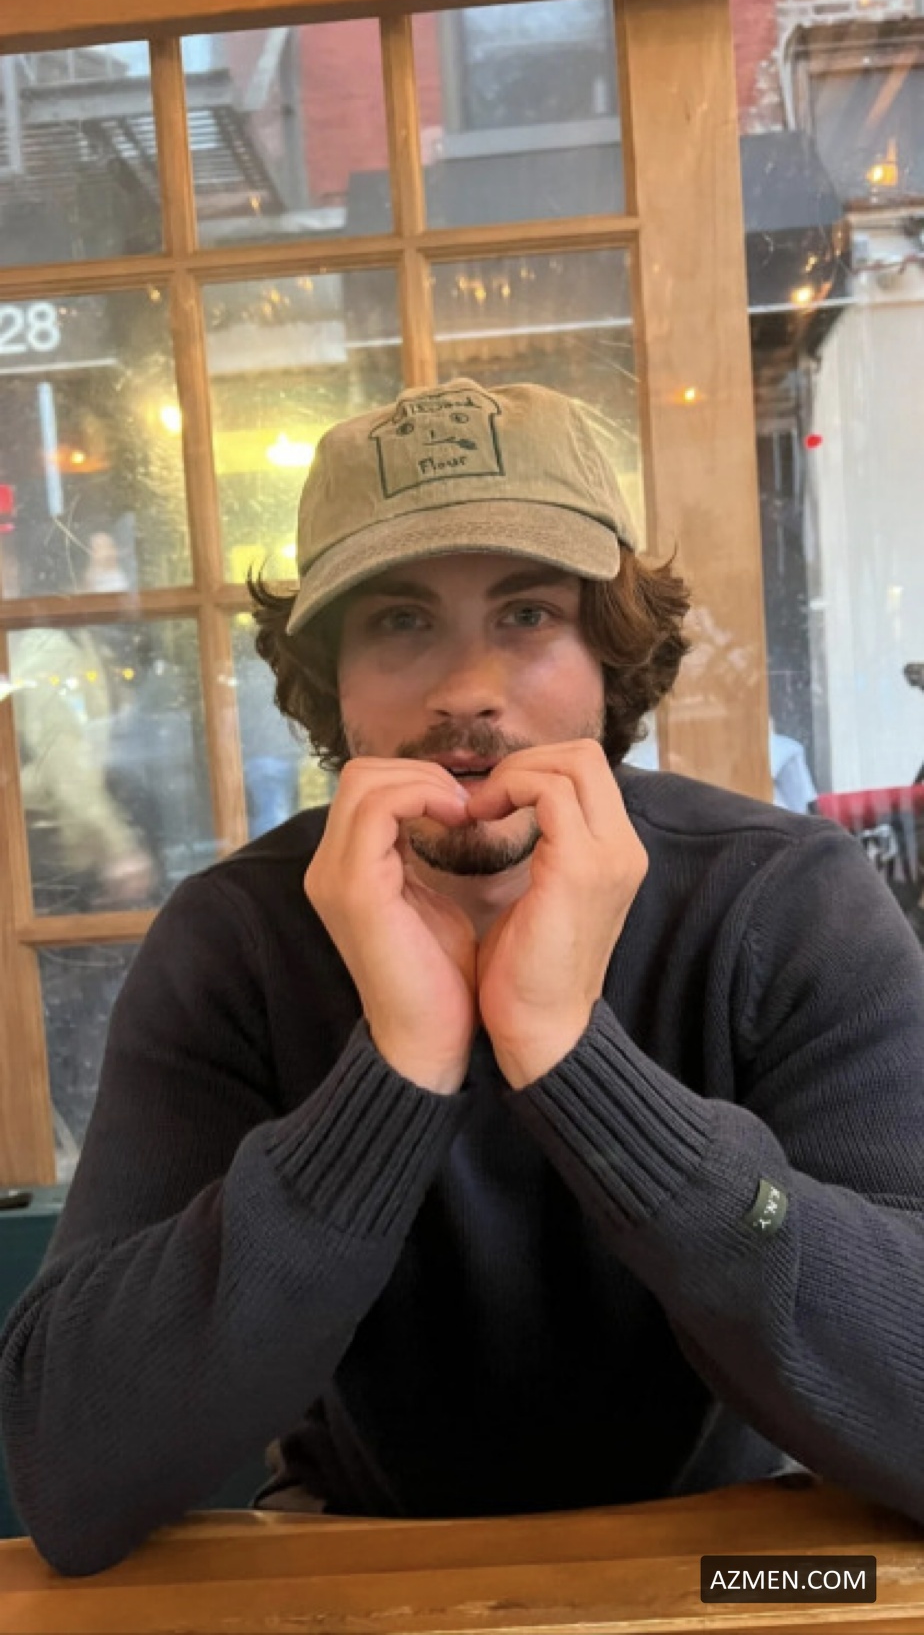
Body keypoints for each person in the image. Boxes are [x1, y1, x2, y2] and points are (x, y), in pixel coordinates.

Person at [2, 377, 924, 1579]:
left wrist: (569, 1052)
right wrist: (397, 1064)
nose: (466, 689)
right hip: (365, 1569)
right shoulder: (237, 939)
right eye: (400, 619)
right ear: (329, 677)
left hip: (737, 1565)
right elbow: (70, 1470)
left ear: (611, 654)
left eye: (528, 612)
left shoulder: (781, 900)